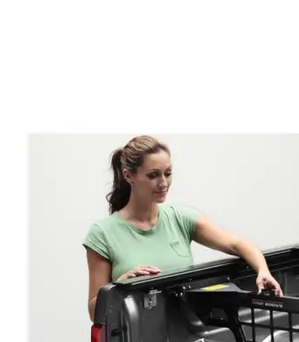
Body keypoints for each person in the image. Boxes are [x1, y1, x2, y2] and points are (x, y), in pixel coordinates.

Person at [83, 135, 283, 321]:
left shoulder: (181, 218)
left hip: (186, 338)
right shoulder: (102, 234)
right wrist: (121, 287)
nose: (163, 183)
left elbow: (238, 244)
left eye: (168, 173)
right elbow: (94, 312)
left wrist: (263, 270)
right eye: (153, 175)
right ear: (129, 176)